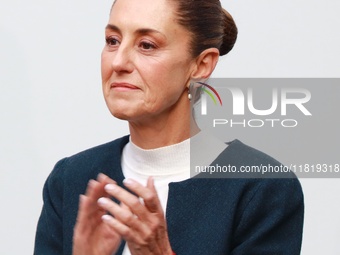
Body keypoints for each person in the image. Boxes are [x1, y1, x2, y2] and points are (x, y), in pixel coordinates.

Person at [34, 0, 304, 254]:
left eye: (147, 45)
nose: (118, 63)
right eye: (112, 41)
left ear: (201, 65)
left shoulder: (262, 187)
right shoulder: (71, 179)